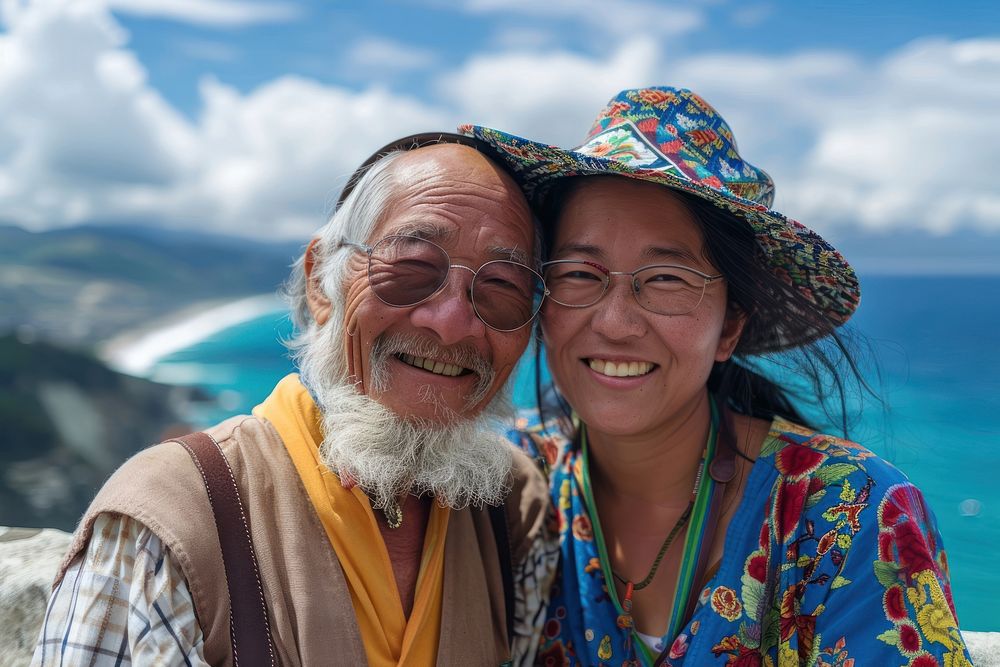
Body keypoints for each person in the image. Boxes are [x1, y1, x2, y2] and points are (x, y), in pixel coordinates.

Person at [460, 87, 972, 666]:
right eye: (580, 273)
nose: (617, 322)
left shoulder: (849, 514)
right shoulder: (505, 491)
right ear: (542, 301)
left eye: (667, 279)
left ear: (730, 326)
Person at [32, 135, 558, 666]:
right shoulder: (168, 525)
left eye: (502, 288)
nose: (449, 326)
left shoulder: (514, 515)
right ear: (321, 283)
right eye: (413, 267)